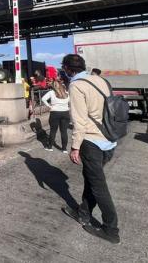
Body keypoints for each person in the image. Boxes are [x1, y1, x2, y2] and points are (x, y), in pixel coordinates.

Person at [61, 54, 120, 244]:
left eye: (64, 69)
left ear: (68, 69)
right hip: (109, 140)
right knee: (91, 180)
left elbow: (79, 121)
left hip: (92, 141)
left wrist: (75, 147)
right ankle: (83, 213)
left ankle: (111, 229)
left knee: (98, 186)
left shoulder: (76, 85)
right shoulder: (100, 80)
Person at [41, 79, 71, 153]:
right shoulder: (66, 93)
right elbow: (70, 102)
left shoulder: (51, 92)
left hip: (55, 113)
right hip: (65, 113)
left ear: (53, 86)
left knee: (53, 131)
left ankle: (50, 147)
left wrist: (49, 106)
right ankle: (64, 149)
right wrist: (68, 108)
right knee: (64, 131)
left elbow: (43, 99)